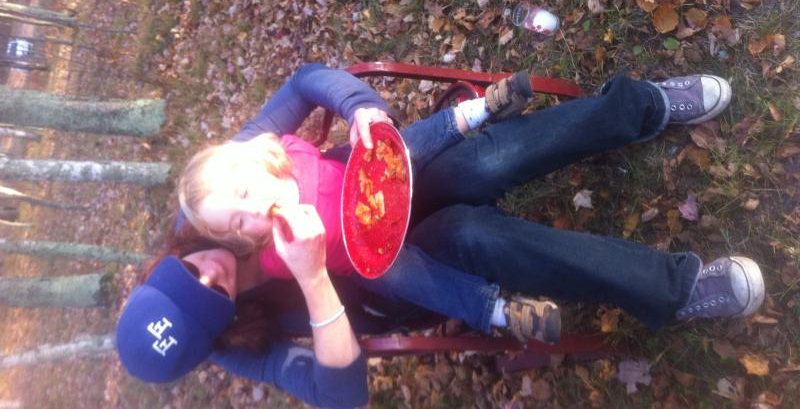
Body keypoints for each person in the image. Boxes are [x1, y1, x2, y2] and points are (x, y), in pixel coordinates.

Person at [117, 65, 765, 407]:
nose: (214, 272)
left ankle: (640, 106)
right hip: (390, 278)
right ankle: (673, 289)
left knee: (482, 161)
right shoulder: (228, 343)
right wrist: (313, 280)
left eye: (193, 270)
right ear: (216, 328)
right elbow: (341, 395)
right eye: (213, 295)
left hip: (380, 181)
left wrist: (362, 108)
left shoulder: (211, 199)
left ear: (167, 264)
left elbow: (305, 80)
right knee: (472, 235)